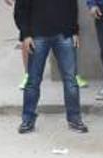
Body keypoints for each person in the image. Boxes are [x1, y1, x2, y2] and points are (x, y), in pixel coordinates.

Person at [16, 0, 90, 133]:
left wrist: (74, 31)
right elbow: (20, 10)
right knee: (33, 81)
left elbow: (72, 6)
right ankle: (27, 119)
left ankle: (74, 119)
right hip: (37, 36)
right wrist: (26, 35)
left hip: (64, 34)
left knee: (71, 81)